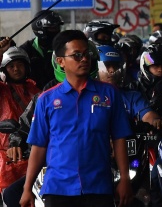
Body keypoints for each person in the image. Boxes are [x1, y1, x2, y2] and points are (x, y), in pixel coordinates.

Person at [20, 30, 133, 207]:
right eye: (77, 55)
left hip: (99, 187)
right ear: (61, 61)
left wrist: (125, 178)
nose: (84, 59)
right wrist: (27, 188)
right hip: (58, 189)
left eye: (86, 54)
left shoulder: (109, 94)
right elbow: (39, 146)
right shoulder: (46, 100)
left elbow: (119, 138)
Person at [0, 44, 41, 192]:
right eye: (11, 66)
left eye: (19, 65)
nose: (16, 69)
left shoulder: (36, 90)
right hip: (7, 155)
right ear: (4, 70)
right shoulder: (2, 90)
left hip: (35, 150)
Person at [18, 10, 64, 89]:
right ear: (40, 30)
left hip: (60, 94)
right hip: (31, 96)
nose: (56, 31)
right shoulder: (25, 50)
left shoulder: (64, 48)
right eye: (52, 28)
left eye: (57, 28)